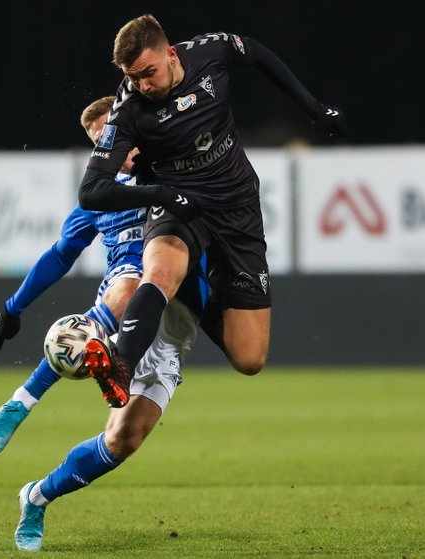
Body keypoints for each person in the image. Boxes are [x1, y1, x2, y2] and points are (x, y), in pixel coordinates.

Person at [78, 14, 348, 407]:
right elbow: (91, 191)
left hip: (237, 207)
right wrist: (160, 194)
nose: (143, 85)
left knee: (249, 358)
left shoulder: (210, 52)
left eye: (148, 73)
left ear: (170, 54)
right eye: (134, 78)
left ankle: (192, 299)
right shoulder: (128, 110)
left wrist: (312, 106)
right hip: (180, 207)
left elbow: (256, 53)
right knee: (160, 272)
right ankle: (121, 364)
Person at [0, 96, 146, 457]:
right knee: (121, 440)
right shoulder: (98, 196)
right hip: (127, 292)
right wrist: (13, 307)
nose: (111, 150)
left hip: (178, 296)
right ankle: (23, 411)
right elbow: (60, 255)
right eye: (101, 144)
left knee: (248, 357)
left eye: (114, 137)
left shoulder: (175, 166)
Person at [14, 253, 207, 552]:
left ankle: (35, 494)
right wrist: (13, 307)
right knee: (118, 423)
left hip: (174, 337)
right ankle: (101, 361)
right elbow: (68, 242)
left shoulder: (221, 215)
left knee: (123, 440)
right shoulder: (147, 211)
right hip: (135, 310)